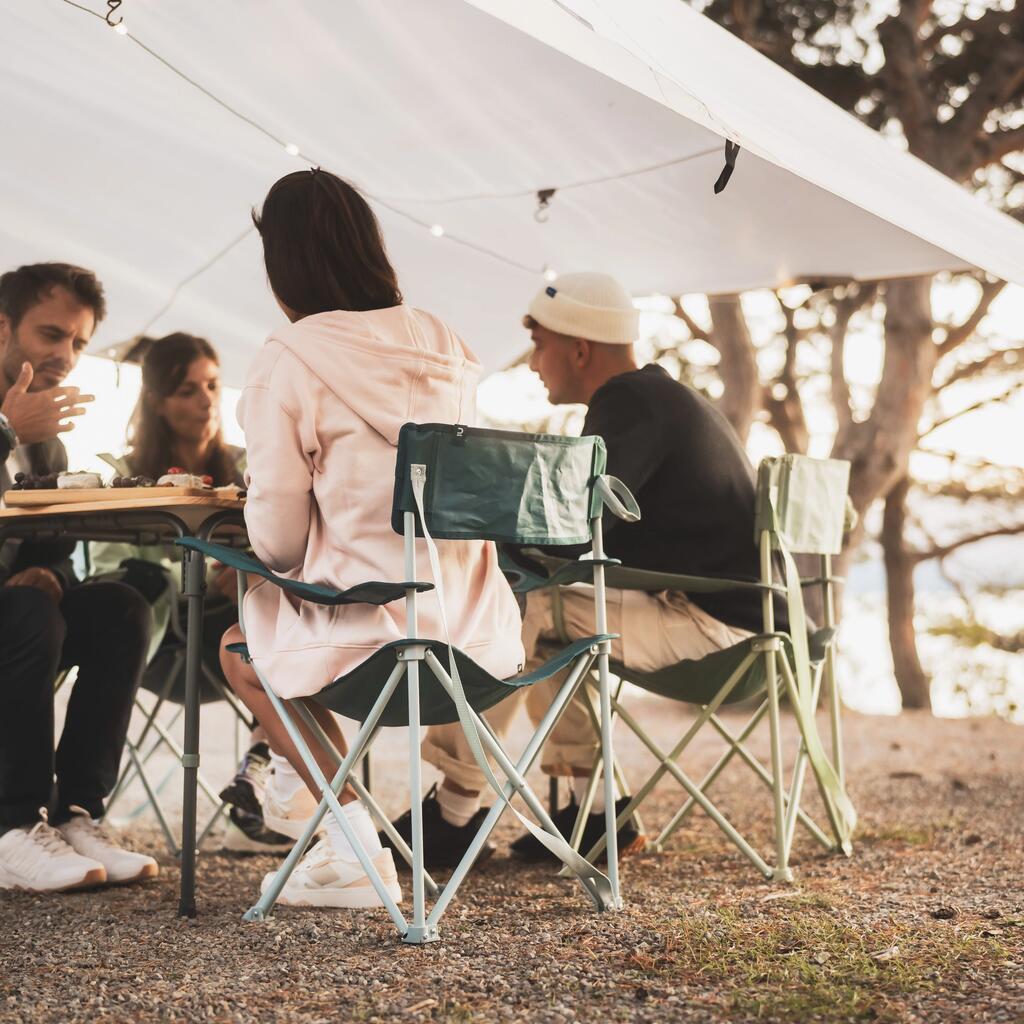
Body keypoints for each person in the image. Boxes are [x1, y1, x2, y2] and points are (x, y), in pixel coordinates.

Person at [219, 168, 523, 908]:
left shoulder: (289, 356)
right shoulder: (445, 344)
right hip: (481, 646)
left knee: (238, 645)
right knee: (273, 632)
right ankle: (326, 825)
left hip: (369, 639)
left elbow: (283, 545)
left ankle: (351, 843)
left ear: (282, 261)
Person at [406, 272, 781, 869]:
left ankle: (453, 810)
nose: (533, 363)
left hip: (715, 626)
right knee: (555, 628)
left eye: (540, 344)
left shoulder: (628, 402)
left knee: (511, 606)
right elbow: (590, 531)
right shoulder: (660, 398)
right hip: (751, 623)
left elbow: (570, 525)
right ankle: (599, 813)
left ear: (580, 348)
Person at [88, 333, 282, 852]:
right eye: (187, 390)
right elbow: (112, 571)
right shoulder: (123, 475)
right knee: (272, 619)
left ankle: (259, 774)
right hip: (159, 642)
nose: (206, 400)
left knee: (284, 605)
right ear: (157, 400)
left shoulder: (254, 467)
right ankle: (277, 784)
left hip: (241, 640)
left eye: (213, 385)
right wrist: (201, 571)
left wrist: (244, 569)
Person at [0, 262, 157, 892]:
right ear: (3, 328)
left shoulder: (50, 444)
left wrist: (48, 572)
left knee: (122, 607)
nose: (66, 355)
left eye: (80, 343)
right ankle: (13, 824)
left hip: (17, 615)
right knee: (32, 616)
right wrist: (8, 431)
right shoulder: (27, 428)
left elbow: (51, 544)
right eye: (51, 335)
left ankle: (76, 815)